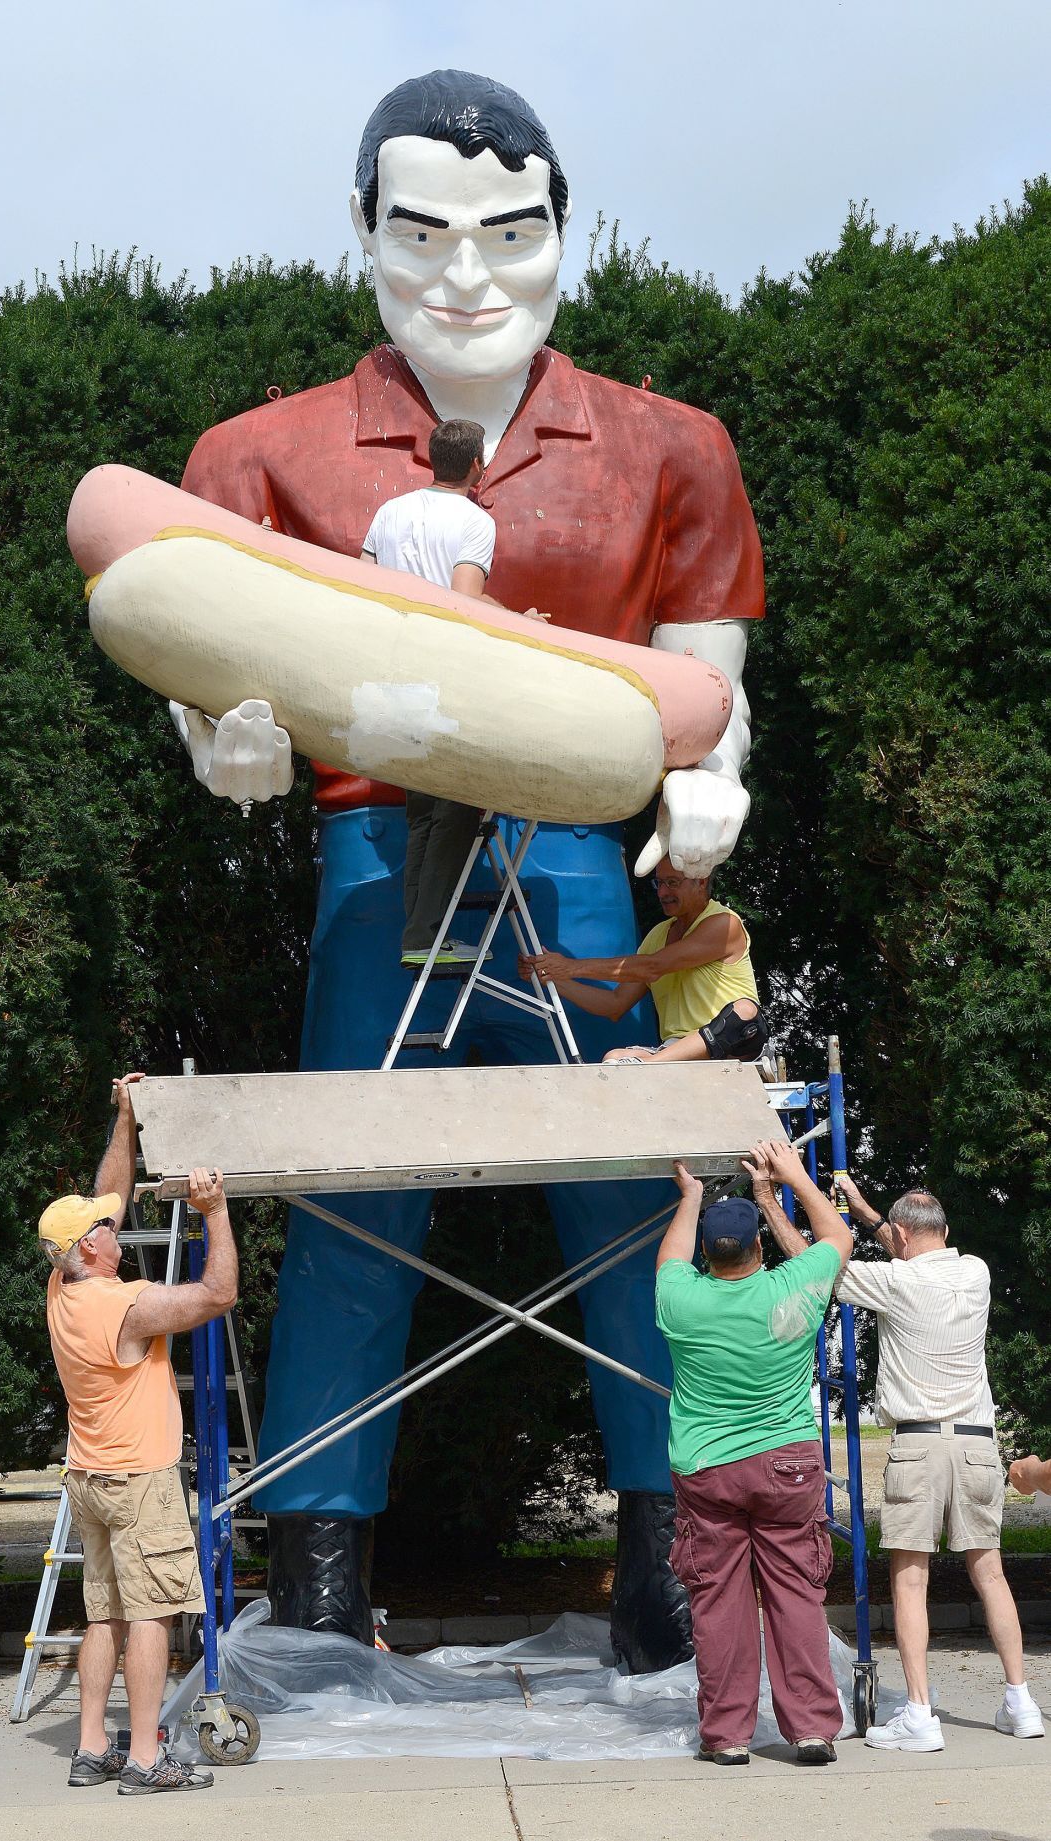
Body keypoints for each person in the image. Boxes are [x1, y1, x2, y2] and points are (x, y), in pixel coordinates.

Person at [166, 69, 766, 1672]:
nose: (467, 271)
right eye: (422, 232)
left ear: (567, 227)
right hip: (379, 862)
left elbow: (706, 671)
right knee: (359, 1203)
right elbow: (212, 669)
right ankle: (314, 1579)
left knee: (634, 1204)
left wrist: (708, 784)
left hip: (575, 858)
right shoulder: (259, 454)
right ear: (361, 230)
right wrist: (222, 746)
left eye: (512, 231)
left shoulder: (668, 449)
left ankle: (672, 1562)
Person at [40, 1071, 239, 1794]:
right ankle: (148, 1757)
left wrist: (124, 1116)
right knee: (152, 1614)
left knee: (104, 1616)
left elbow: (110, 1194)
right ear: (90, 1248)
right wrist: (213, 1210)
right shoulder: (126, 1306)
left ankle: (92, 1745)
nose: (112, 1224)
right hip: (138, 1481)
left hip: (89, 1480)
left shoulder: (63, 1287)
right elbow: (219, 1293)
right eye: (102, 1228)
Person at [824, 1173, 1045, 1749]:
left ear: (898, 1234)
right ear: (944, 1232)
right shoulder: (975, 1272)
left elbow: (820, 1261)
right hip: (977, 1442)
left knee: (910, 1579)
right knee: (990, 1573)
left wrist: (787, 1193)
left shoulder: (892, 1282)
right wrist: (868, 1210)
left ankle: (920, 1715)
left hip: (918, 1444)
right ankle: (1022, 1702)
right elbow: (904, 1245)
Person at [656, 1141, 853, 1766]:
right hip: (785, 1465)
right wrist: (780, 1184)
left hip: (707, 1468)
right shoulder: (793, 1289)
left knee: (718, 1601)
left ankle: (729, 1736)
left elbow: (669, 1256)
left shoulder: (681, 1299)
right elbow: (836, 1235)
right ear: (759, 1250)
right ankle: (813, 1729)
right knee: (796, 1593)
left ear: (708, 1256)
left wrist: (690, 1199)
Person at [360, 416, 494, 966]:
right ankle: (427, 933)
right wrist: (524, 621)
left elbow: (362, 582)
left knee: (421, 814)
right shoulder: (473, 520)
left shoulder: (388, 512)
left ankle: (418, 938)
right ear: (477, 466)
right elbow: (463, 601)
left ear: (431, 459)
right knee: (462, 802)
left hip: (393, 676)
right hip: (447, 675)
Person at [521, 857, 768, 1066]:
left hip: (735, 1041)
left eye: (672, 883)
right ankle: (656, 1064)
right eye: (659, 883)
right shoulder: (658, 935)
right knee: (614, 1058)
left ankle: (651, 1065)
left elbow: (652, 966)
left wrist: (571, 967)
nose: (662, 892)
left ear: (701, 881)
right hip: (676, 1053)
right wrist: (550, 977)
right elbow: (614, 1004)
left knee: (744, 1011)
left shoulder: (724, 924)